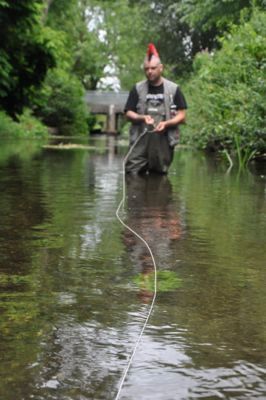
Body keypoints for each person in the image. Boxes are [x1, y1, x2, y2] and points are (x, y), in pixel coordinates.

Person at [124, 43, 187, 175]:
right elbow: (128, 113)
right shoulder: (137, 89)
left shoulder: (174, 89)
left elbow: (182, 115)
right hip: (139, 142)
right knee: (131, 174)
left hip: (163, 142)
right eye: (146, 69)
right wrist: (142, 117)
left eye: (153, 68)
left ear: (161, 68)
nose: (149, 71)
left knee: (158, 178)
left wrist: (166, 123)